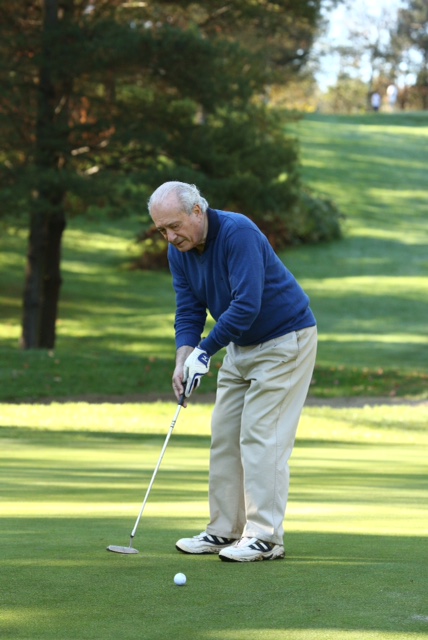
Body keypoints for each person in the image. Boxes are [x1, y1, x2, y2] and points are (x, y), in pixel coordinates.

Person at [148, 181, 317, 563]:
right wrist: (183, 358)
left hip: (285, 338)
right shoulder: (181, 252)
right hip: (241, 344)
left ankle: (265, 538)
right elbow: (189, 310)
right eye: (162, 230)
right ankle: (224, 530)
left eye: (174, 226)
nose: (170, 237)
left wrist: (206, 351)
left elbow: (246, 304)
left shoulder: (237, 232)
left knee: (261, 436)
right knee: (224, 435)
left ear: (197, 211)